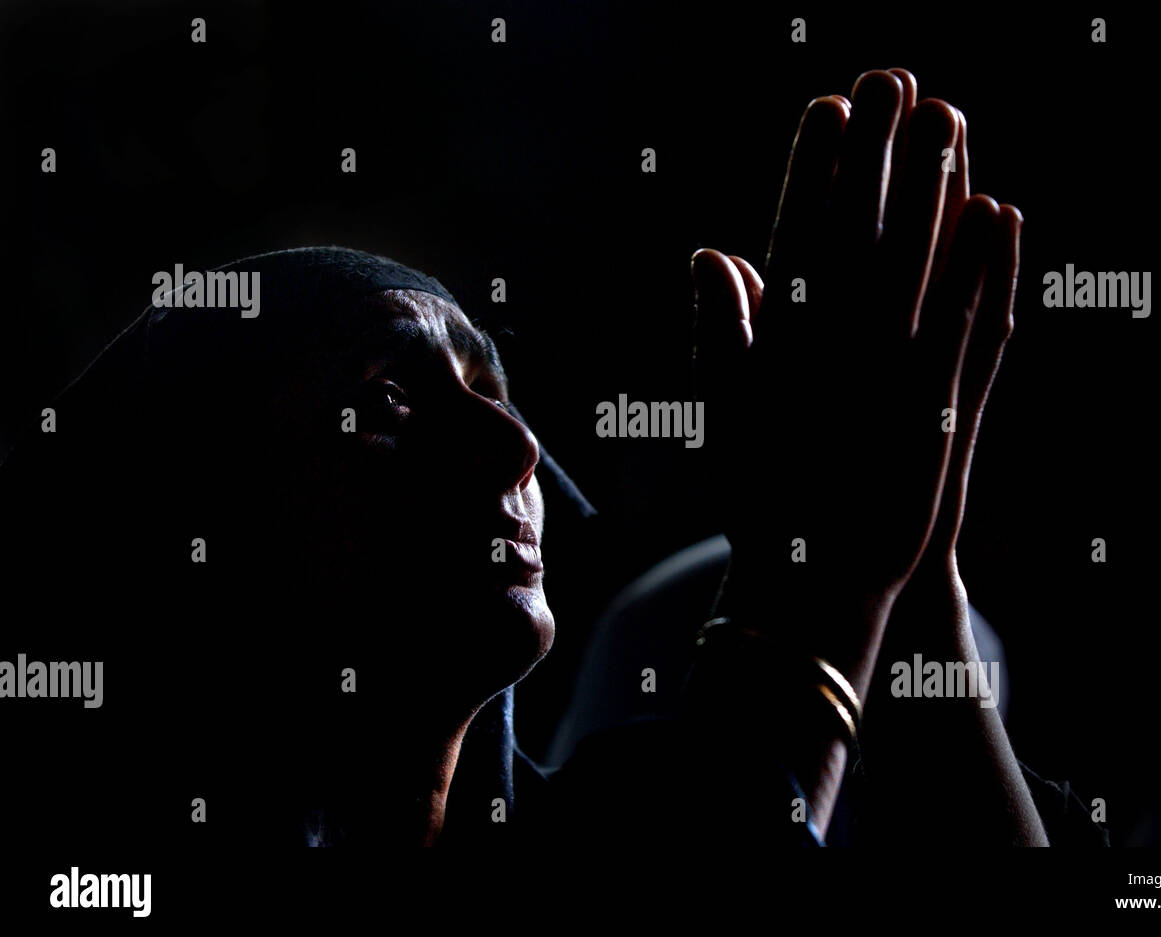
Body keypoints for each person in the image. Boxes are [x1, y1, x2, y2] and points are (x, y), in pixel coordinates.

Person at [0, 69, 1104, 847]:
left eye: (494, 388)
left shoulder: (603, 825)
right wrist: (803, 601)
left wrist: (910, 585)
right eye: (387, 402)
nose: (517, 443)